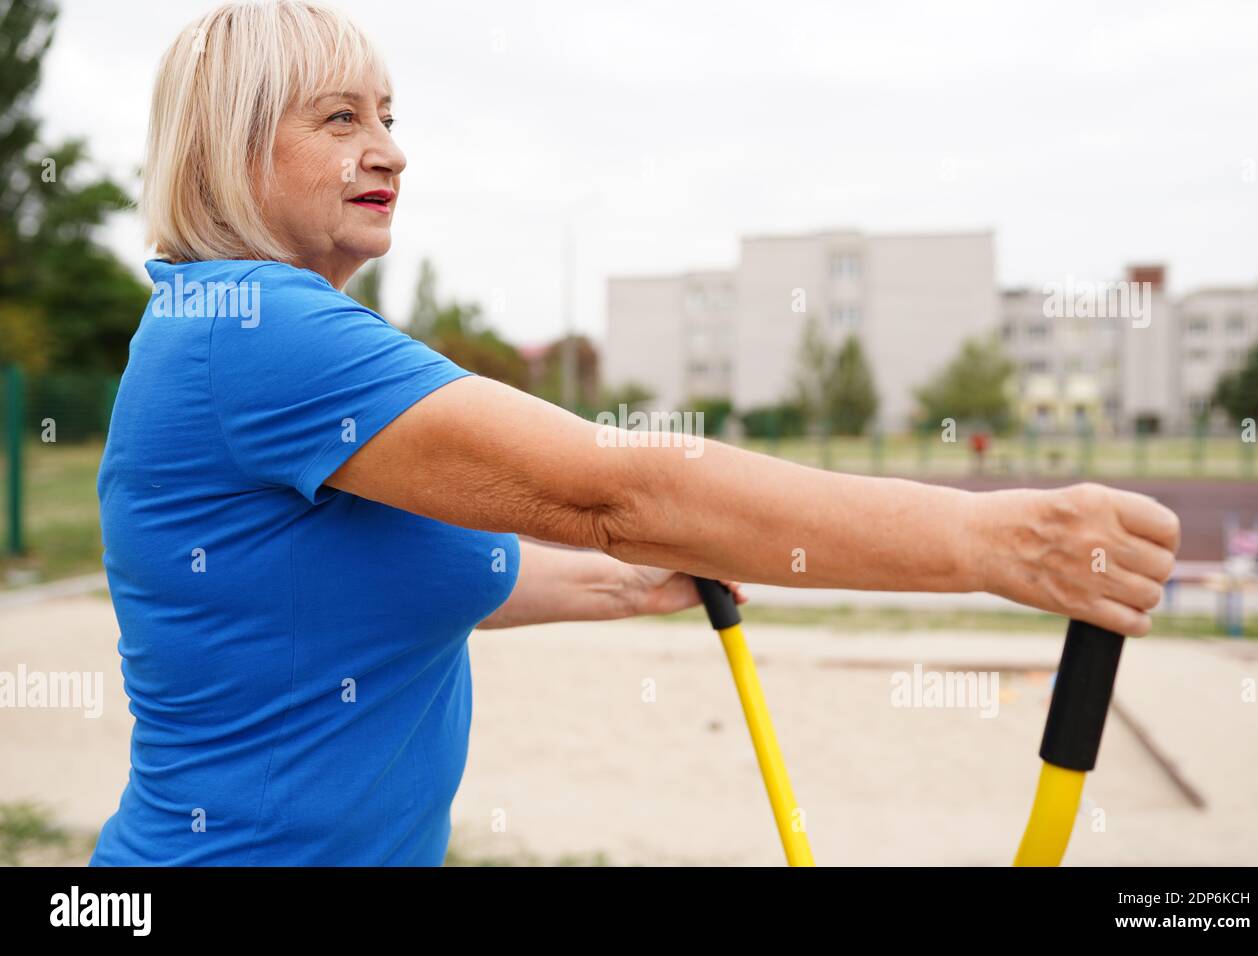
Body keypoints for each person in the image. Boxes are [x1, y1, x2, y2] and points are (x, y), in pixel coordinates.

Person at [89, 0, 1179, 866]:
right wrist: (997, 541)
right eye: (340, 119)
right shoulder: (259, 332)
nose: (390, 150)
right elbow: (615, 489)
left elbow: (382, 572)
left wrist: (626, 584)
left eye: (389, 115)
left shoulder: (245, 332)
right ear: (231, 150)